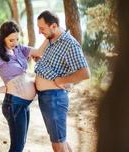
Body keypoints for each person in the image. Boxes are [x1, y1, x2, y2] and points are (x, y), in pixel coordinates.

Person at [0, 21, 48, 152]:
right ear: (3, 38)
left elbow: (39, 51)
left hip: (23, 105)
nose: (15, 43)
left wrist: (50, 35)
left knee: (21, 144)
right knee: (17, 148)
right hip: (13, 105)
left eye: (17, 39)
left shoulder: (19, 49)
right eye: (11, 40)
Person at [34, 10, 90, 152]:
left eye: (42, 29)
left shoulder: (69, 44)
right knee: (59, 140)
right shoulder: (51, 38)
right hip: (46, 98)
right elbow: (43, 55)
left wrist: (63, 80)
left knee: (58, 145)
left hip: (55, 99)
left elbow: (85, 72)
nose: (40, 32)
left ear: (53, 26)